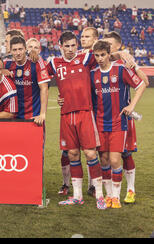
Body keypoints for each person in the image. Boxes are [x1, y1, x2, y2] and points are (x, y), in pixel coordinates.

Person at [46, 31, 106, 209]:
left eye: (74, 45)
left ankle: (100, 195)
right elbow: (37, 74)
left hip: (85, 114)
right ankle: (77, 195)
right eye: (67, 46)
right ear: (60, 46)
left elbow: (106, 53)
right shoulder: (54, 63)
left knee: (90, 154)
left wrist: (122, 53)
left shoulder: (86, 58)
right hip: (66, 115)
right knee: (72, 154)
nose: (71, 49)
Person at [90, 40, 146, 208]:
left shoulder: (120, 70)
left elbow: (142, 84)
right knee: (104, 159)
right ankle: (108, 196)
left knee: (115, 160)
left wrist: (131, 106)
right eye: (97, 55)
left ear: (109, 54)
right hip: (100, 123)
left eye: (103, 55)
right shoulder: (93, 74)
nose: (100, 58)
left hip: (118, 122)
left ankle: (116, 196)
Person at [3, 36, 50, 125]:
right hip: (13, 116)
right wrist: (1, 70)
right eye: (15, 50)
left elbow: (44, 88)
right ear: (11, 51)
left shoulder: (36, 62)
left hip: (33, 116)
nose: (18, 53)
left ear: (25, 49)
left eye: (20, 49)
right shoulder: (6, 63)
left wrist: (42, 114)